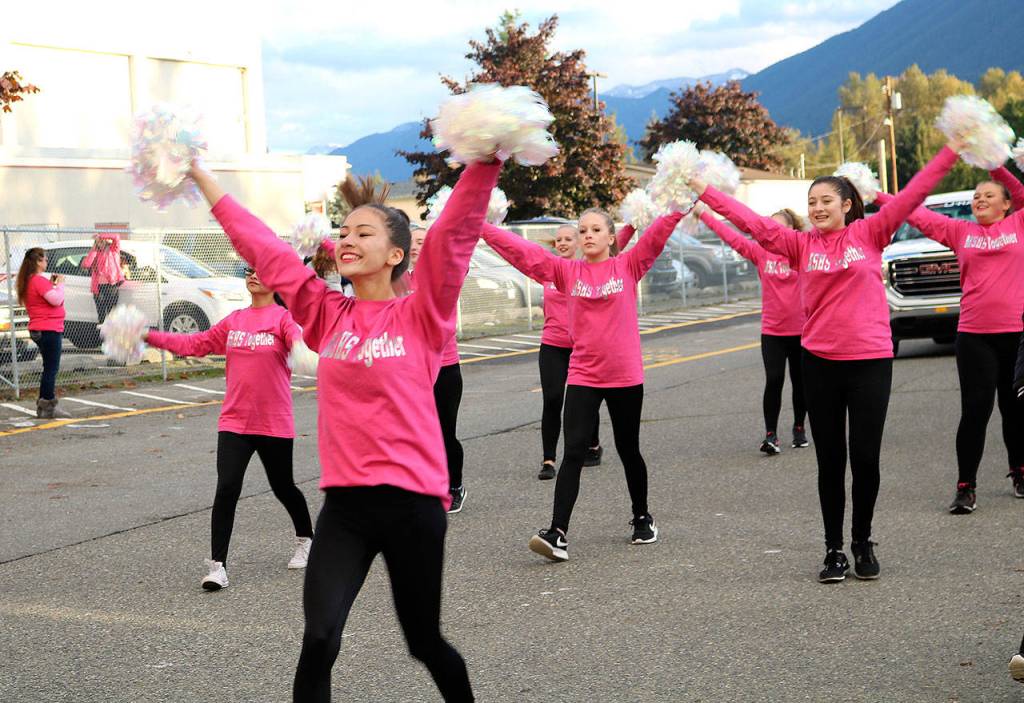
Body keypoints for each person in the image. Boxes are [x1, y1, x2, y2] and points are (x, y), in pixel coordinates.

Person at [188, 155, 498, 702]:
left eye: (364, 232)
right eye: (343, 231)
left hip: (414, 508)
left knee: (424, 642)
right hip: (347, 511)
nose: (346, 239)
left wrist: (487, 157)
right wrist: (200, 176)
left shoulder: (423, 314)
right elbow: (265, 248)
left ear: (396, 254)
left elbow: (453, 234)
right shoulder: (327, 312)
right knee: (319, 637)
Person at [689, 142, 962, 583]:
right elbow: (752, 224)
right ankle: (833, 548)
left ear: (847, 205)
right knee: (830, 460)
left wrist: (952, 150)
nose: (816, 208)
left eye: (825, 201)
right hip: (819, 362)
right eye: (811, 202)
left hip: (871, 361)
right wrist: (703, 190)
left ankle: (862, 539)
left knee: (866, 459)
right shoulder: (797, 245)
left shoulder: (871, 233)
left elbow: (913, 194)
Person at [481, 208, 685, 562]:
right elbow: (524, 254)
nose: (587, 235)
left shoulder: (628, 265)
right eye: (582, 230)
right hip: (584, 374)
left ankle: (642, 517)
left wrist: (679, 207)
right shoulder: (566, 272)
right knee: (573, 450)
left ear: (611, 237)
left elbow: (656, 237)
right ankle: (557, 532)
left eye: (595, 230)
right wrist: (481, 227)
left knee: (627, 448)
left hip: (624, 375)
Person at [144, 266, 314, 590]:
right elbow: (196, 343)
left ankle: (306, 538)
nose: (253, 275)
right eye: (249, 270)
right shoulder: (235, 320)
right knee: (227, 488)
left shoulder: (283, 319)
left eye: (262, 270)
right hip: (235, 421)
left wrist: (306, 352)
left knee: (283, 487)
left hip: (273, 422)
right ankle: (218, 567)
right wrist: (149, 336)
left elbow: (299, 345)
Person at [876, 167, 1024, 514]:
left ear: (1006, 205)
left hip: (1017, 333)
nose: (980, 200)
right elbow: (914, 212)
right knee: (975, 410)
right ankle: (965, 487)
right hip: (975, 335)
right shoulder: (959, 231)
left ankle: (1019, 471)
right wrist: (875, 194)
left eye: (989, 195)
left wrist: (992, 161)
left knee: (1016, 408)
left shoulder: (1018, 224)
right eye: (976, 196)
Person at [696, 206, 807, 454]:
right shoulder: (761, 253)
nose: (774, 231)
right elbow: (732, 238)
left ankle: (799, 428)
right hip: (773, 331)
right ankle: (771, 435)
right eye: (771, 226)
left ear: (791, 230)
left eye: (780, 226)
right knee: (774, 380)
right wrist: (705, 216)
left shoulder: (800, 251)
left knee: (801, 384)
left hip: (801, 330)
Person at [534, 223, 635, 479]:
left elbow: (616, 241)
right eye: (559, 240)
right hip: (553, 343)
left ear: (578, 243)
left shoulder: (585, 270)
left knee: (586, 399)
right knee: (553, 398)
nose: (564, 243)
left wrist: (633, 221)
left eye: (569, 238)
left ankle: (592, 442)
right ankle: (548, 460)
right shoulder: (550, 269)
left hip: (582, 345)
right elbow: (524, 259)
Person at [16, 248, 66, 419]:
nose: (46, 262)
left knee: (48, 368)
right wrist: (60, 285)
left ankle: (43, 406)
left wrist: (52, 285)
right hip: (48, 328)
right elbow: (56, 300)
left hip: (40, 327)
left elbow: (44, 299)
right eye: (44, 260)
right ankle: (48, 407)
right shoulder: (38, 280)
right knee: (51, 369)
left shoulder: (30, 280)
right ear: (38, 261)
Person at [81, 232, 125, 325]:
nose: (100, 244)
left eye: (101, 242)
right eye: (98, 242)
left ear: (105, 241)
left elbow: (116, 236)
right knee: (101, 315)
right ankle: (103, 336)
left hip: (111, 286)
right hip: (98, 288)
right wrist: (94, 250)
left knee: (112, 314)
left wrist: (100, 236)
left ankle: (112, 334)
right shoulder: (96, 252)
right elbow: (87, 264)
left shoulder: (113, 249)